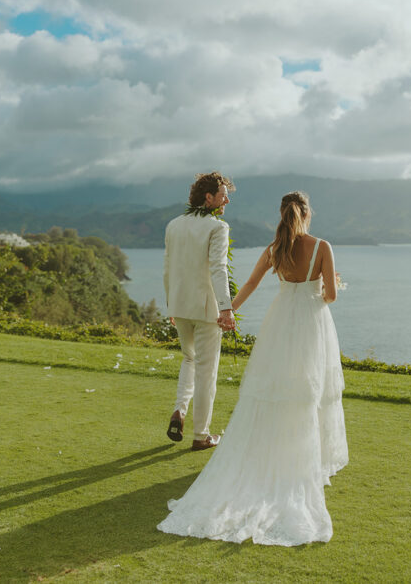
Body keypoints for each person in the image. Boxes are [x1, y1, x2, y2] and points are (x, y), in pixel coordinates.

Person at [157, 191, 348, 546]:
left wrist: (225, 312)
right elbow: (331, 296)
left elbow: (248, 286)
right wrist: (324, 285)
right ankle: (305, 459)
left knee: (273, 389)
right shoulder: (322, 246)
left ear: (281, 213)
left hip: (280, 322)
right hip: (311, 323)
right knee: (310, 389)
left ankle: (273, 451)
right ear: (307, 214)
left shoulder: (274, 249)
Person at [163, 172, 237, 451]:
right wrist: (226, 309)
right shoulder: (218, 227)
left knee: (189, 360)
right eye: (222, 195)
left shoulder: (173, 225)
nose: (226, 200)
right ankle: (201, 435)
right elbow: (219, 269)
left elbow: (168, 268)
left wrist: (171, 303)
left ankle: (180, 411)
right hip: (207, 310)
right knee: (206, 372)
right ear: (209, 198)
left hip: (180, 306)